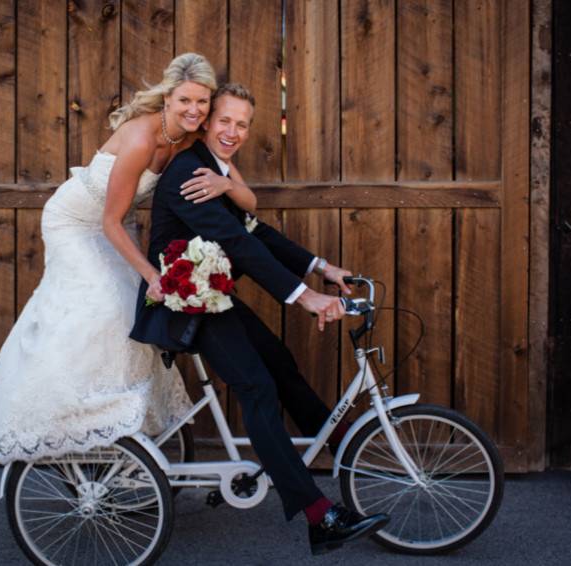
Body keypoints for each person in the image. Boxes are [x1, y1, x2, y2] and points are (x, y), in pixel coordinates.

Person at [130, 83, 390, 555]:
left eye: (242, 125)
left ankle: (346, 451)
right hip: (183, 306)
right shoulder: (190, 174)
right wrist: (305, 297)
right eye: (225, 121)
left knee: (279, 361)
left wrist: (321, 268)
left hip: (212, 297)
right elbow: (240, 245)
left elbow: (257, 230)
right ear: (208, 123)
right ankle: (319, 516)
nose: (233, 131)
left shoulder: (217, 169)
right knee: (258, 388)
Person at [0, 53, 254, 464]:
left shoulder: (191, 139)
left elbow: (249, 198)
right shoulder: (139, 139)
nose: (194, 110)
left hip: (115, 225)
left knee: (131, 317)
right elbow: (109, 221)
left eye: (202, 102)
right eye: (185, 100)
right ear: (167, 98)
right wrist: (152, 274)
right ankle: (66, 418)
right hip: (76, 223)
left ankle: (118, 436)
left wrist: (225, 184)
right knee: (104, 308)